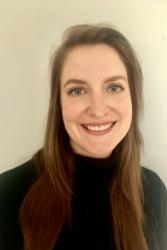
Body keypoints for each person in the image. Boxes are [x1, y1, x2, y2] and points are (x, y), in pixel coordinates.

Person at [0, 24, 166, 250]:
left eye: (114, 87)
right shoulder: (7, 194)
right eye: (78, 90)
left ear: (133, 98)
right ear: (59, 104)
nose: (97, 110)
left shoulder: (154, 190)